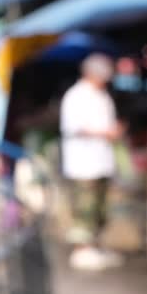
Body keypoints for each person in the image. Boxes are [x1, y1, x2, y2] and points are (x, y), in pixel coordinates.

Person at [60, 54, 125, 271]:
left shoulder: (103, 96)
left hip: (102, 161)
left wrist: (113, 131)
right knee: (84, 207)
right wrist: (106, 133)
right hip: (83, 163)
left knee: (100, 208)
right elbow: (75, 127)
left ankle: (96, 245)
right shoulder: (76, 96)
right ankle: (82, 249)